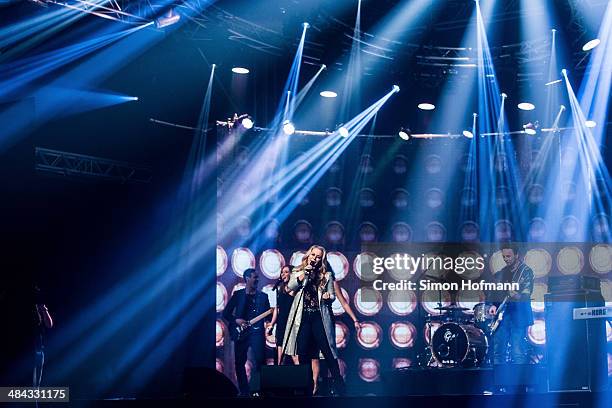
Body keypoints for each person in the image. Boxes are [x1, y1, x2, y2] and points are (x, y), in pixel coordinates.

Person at [282, 245, 345, 396]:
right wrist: (304, 274)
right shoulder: (298, 271)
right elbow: (289, 286)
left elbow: (332, 295)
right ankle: (306, 390)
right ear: (308, 255)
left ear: (321, 259)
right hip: (303, 318)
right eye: (313, 255)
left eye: (318, 257)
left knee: (328, 353)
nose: (315, 259)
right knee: (303, 354)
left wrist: (328, 297)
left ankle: (341, 388)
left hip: (319, 317)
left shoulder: (326, 275)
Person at [222, 268, 271, 396]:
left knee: (260, 362)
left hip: (257, 334)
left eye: (258, 277)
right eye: (255, 277)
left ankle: (260, 390)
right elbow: (226, 313)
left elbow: (269, 317)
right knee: (239, 362)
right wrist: (236, 320)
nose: (257, 279)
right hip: (241, 334)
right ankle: (244, 391)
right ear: (247, 278)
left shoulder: (263, 297)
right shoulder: (238, 295)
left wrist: (272, 321)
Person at [310, 277, 360, 395]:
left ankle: (336, 385)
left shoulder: (330, 281)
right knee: (314, 355)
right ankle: (315, 386)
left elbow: (343, 302)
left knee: (329, 353)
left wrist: (355, 319)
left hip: (325, 321)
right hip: (311, 321)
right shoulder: (309, 279)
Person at [488, 244, 534, 365]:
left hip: (518, 315)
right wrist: (494, 305)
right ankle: (499, 382)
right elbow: (496, 293)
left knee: (517, 351)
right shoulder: (502, 273)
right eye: (504, 257)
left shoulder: (526, 272)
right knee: (498, 351)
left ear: (517, 255)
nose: (506, 259)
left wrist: (516, 295)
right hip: (503, 316)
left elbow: (526, 296)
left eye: (508, 256)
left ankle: (521, 383)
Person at [267, 266, 298, 365]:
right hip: (281, 322)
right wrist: (272, 323)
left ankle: (302, 376)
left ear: (291, 274)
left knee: (293, 352)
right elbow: (277, 308)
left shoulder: (295, 288)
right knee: (279, 349)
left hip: (291, 322)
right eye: (282, 272)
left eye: (286, 272)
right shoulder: (280, 289)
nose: (283, 274)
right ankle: (279, 372)